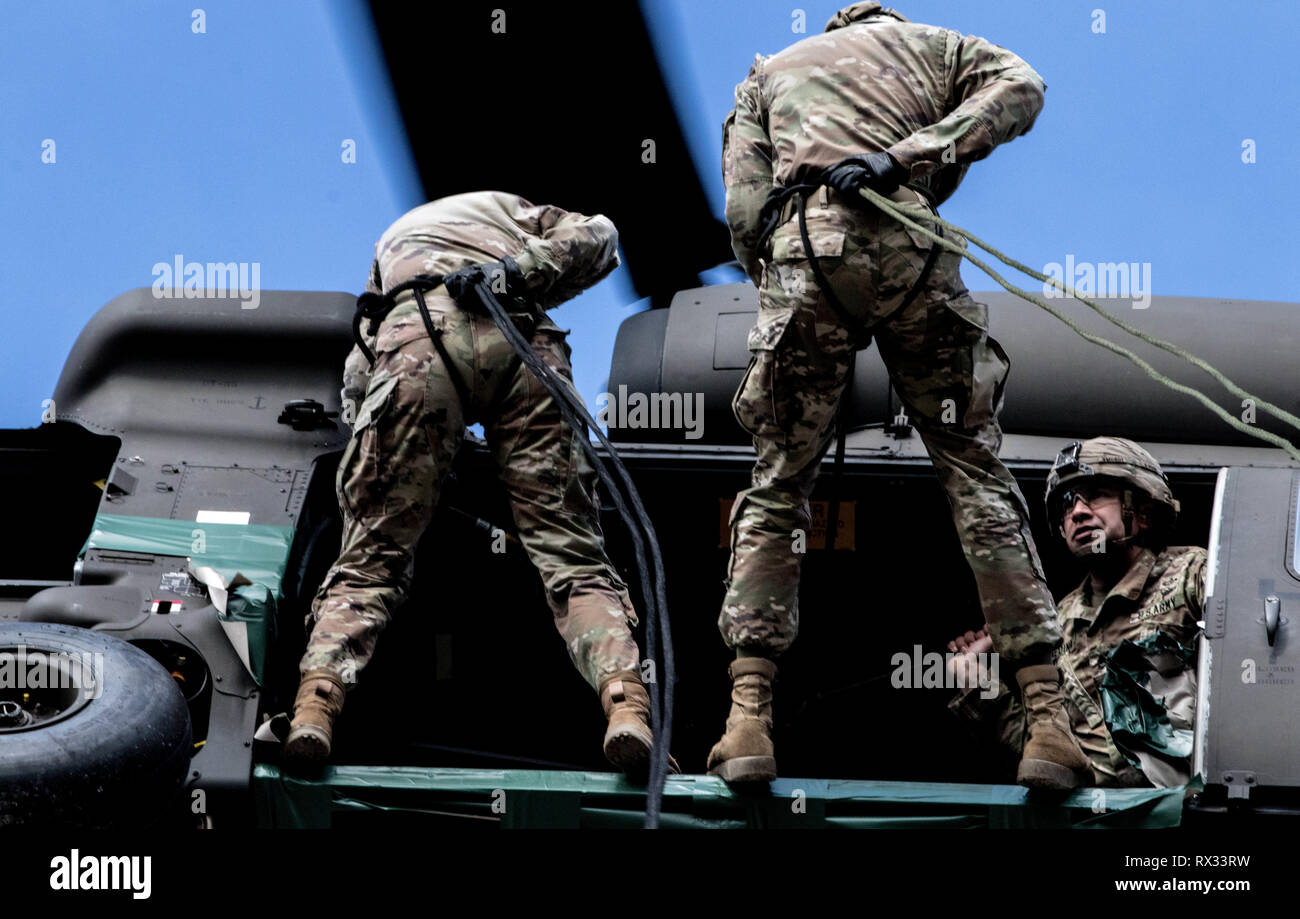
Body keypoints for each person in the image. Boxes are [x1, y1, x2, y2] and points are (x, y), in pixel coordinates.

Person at [711, 1, 1090, 789]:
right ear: (887, 20)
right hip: (911, 243)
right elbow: (1024, 87)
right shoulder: (936, 47)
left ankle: (748, 719)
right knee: (975, 475)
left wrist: (789, 292)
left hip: (806, 247)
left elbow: (745, 213)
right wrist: (907, 156)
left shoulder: (770, 75)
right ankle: (1049, 724)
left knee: (779, 484)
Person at [285, 191, 664, 775]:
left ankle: (317, 707)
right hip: (523, 345)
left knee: (372, 559)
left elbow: (363, 361)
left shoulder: (393, 241)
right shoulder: (516, 211)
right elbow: (601, 238)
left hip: (417, 342)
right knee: (573, 559)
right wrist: (516, 272)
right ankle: (625, 706)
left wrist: (377, 437)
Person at [948, 437, 1206, 787]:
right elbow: (1052, 752)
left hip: (1181, 809)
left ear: (1142, 511)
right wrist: (977, 680)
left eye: (1097, 494)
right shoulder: (1056, 622)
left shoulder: (1193, 573)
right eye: (1067, 504)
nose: (1078, 512)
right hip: (1093, 818)